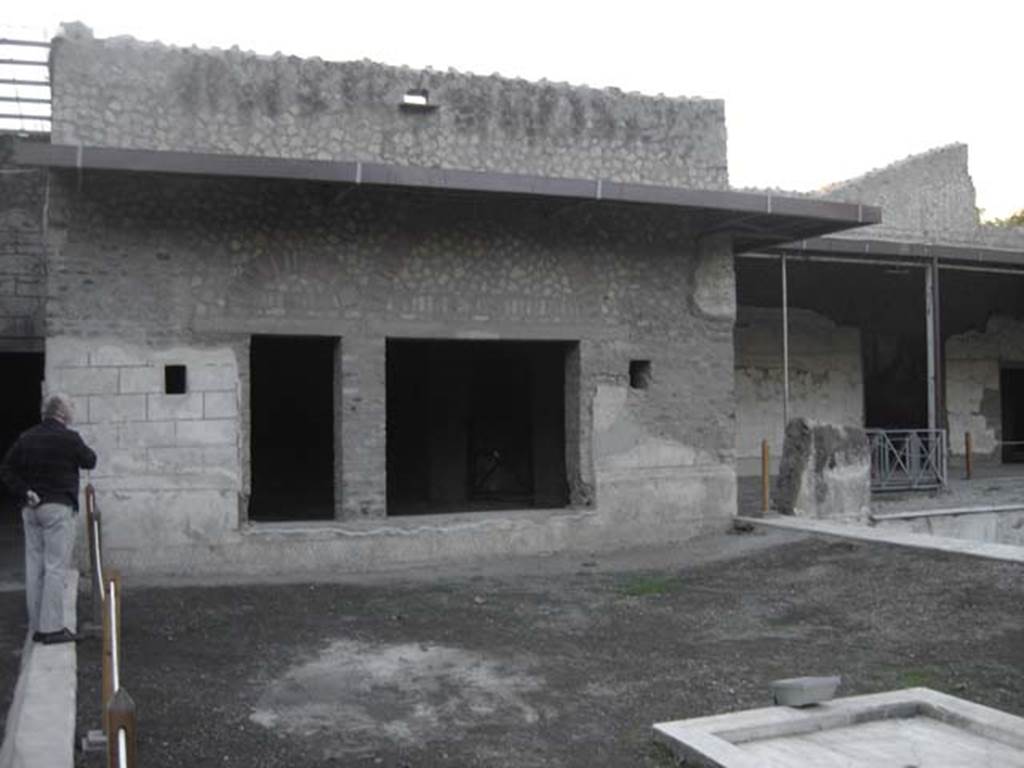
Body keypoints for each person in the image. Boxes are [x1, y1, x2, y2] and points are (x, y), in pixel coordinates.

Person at [0, 393, 97, 644]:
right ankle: (52, 628)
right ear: (63, 414)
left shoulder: (27, 437)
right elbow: (90, 460)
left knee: (35, 568)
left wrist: (25, 491)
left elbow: (6, 469)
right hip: (58, 507)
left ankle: (36, 626)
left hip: (31, 508)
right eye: (71, 409)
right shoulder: (70, 438)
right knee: (55, 568)